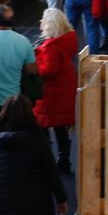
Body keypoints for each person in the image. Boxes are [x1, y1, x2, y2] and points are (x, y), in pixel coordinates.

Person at [33, 9, 78, 172]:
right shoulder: (66, 41)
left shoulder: (51, 47)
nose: (41, 23)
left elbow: (48, 71)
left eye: (43, 20)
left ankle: (46, 160)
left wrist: (35, 65)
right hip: (63, 91)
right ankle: (64, 160)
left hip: (51, 93)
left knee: (42, 126)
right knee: (60, 128)